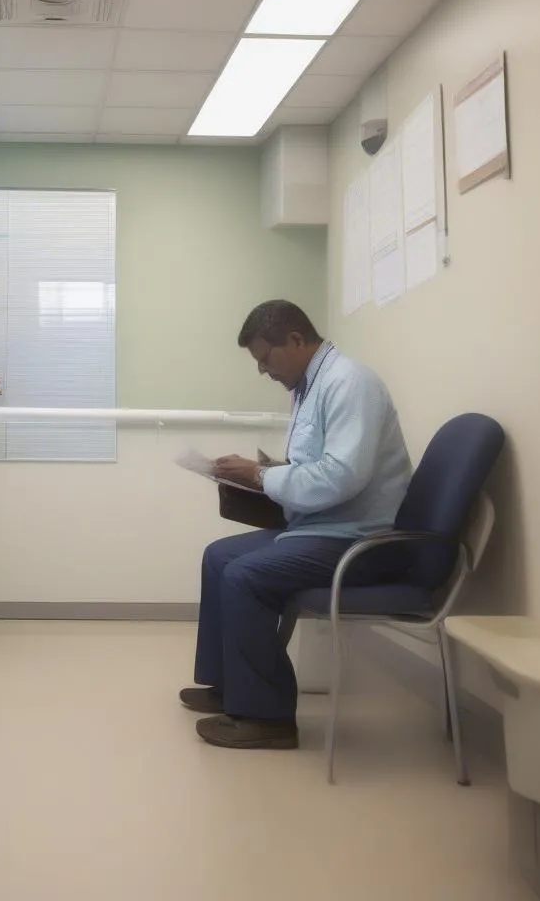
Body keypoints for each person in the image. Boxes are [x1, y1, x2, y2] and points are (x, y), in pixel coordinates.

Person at [180, 300, 412, 749]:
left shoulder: (350, 382)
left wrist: (261, 475)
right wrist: (261, 476)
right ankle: (230, 684)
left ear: (295, 340)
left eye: (266, 358)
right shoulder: (311, 387)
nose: (263, 370)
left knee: (245, 575)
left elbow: (343, 475)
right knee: (218, 556)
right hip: (324, 527)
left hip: (361, 539)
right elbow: (319, 465)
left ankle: (268, 718)